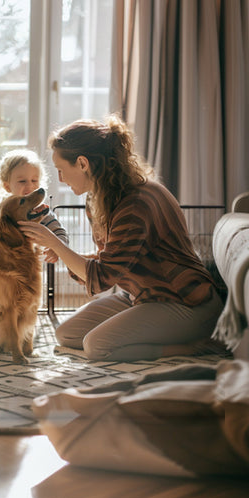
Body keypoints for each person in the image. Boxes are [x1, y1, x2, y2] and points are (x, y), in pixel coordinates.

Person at [19, 115, 224, 361]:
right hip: (141, 295)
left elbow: (104, 276)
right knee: (67, 334)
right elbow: (111, 260)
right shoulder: (98, 198)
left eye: (61, 170)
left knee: (97, 346)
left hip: (184, 301)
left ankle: (198, 345)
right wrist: (61, 252)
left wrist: (56, 244)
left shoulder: (136, 203)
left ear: (83, 163)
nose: (60, 179)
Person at [0, 149, 69, 293]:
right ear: (7, 186)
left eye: (34, 180)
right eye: (22, 181)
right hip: (3, 273)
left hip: (29, 270)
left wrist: (58, 246)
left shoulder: (41, 210)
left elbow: (59, 231)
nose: (29, 186)